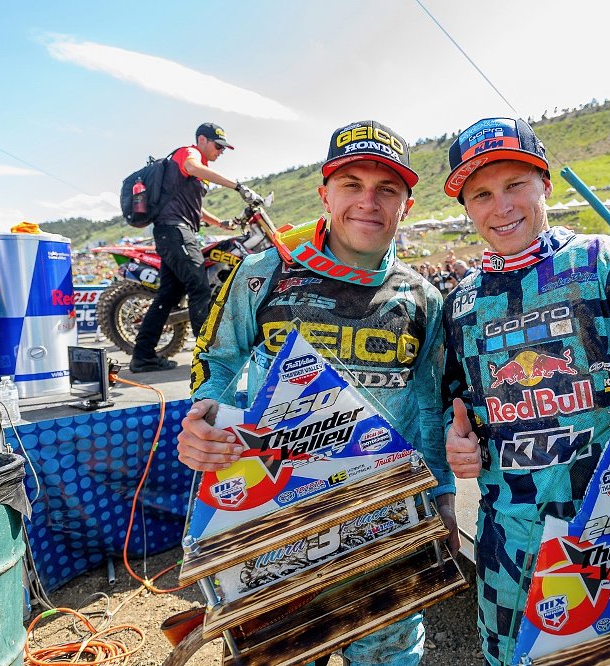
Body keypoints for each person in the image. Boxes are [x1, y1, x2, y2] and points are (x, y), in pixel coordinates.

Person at [175, 120, 456, 665]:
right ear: (325, 194)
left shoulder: (423, 299)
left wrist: (441, 496)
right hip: (273, 526)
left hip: (386, 525)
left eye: (387, 190)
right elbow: (221, 366)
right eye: (352, 184)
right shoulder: (263, 274)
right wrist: (202, 424)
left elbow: (430, 404)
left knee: (388, 657)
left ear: (407, 206)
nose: (368, 202)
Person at [441, 117, 610, 666]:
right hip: (506, 545)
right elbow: (462, 410)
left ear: (545, 183)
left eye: (515, 184)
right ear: (467, 208)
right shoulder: (462, 302)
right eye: (481, 195)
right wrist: (461, 443)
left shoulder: (608, 265)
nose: (501, 206)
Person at [129, 123, 263, 373]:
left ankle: (142, 355)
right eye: (217, 145)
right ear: (202, 140)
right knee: (200, 287)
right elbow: (192, 166)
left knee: (167, 297)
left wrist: (219, 223)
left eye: (224, 148)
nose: (220, 152)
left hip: (177, 231)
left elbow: (193, 208)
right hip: (176, 231)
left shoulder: (192, 173)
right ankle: (208, 356)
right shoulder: (189, 154)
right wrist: (238, 186)